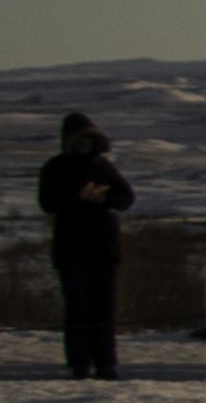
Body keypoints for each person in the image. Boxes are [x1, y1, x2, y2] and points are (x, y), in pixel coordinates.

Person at [37, 115, 134, 378]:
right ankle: (79, 363)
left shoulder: (103, 167)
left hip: (103, 247)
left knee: (104, 307)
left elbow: (126, 198)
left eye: (89, 140)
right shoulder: (55, 168)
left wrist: (103, 198)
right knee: (78, 308)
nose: (85, 145)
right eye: (80, 141)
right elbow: (47, 203)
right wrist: (77, 198)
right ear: (69, 142)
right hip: (71, 250)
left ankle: (106, 362)